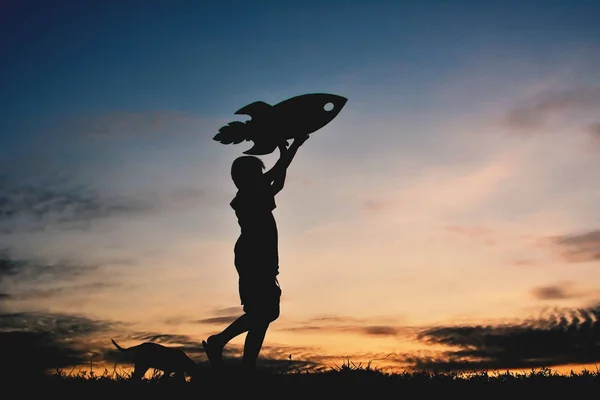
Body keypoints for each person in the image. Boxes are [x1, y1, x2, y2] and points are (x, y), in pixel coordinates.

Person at [202, 134, 309, 370]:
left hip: (257, 254)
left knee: (261, 315)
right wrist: (291, 148)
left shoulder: (254, 192)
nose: (262, 176)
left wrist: (289, 149)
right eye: (257, 173)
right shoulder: (249, 193)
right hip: (255, 255)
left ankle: (247, 368)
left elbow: (278, 182)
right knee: (264, 312)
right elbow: (278, 170)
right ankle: (218, 341)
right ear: (246, 177)